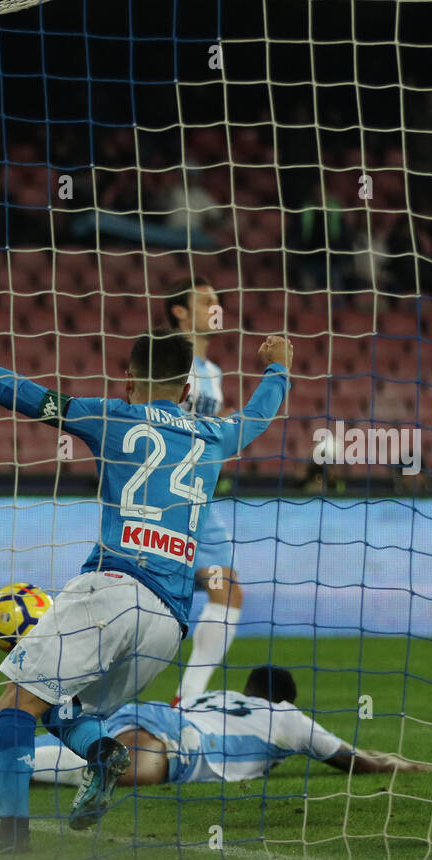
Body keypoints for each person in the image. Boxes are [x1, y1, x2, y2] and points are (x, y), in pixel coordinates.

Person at [0, 328, 291, 853]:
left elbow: (30, 397)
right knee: (67, 709)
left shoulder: (107, 414)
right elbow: (259, 416)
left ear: (128, 379)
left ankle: (14, 835)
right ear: (184, 390)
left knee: (15, 705)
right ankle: (103, 750)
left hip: (111, 589)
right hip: (167, 624)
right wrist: (278, 369)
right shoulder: (215, 434)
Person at [0, 666, 432, 790]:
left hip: (155, 716)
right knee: (120, 768)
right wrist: (404, 765)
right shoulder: (293, 721)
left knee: (70, 754)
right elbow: (354, 758)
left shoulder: (223, 693)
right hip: (180, 750)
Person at [161, 279, 247, 704]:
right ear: (179, 311)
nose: (216, 306)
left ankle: (187, 698)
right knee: (147, 601)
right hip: (163, 500)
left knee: (226, 589)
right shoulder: (165, 360)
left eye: (219, 300)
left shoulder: (212, 373)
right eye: (206, 300)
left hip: (201, 503)